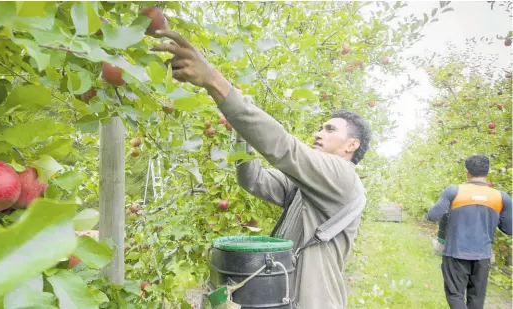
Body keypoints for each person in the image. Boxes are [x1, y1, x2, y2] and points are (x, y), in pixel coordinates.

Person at [152, 30, 372, 309]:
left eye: (329, 129)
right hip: (283, 298)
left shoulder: (342, 177)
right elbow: (252, 180)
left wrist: (215, 82)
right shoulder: (310, 186)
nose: (319, 133)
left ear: (352, 144)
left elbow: (284, 149)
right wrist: (242, 133)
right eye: (320, 127)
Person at [427, 154, 512, 309]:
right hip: (483, 256)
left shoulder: (453, 191)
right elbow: (509, 229)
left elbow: (432, 216)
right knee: (477, 300)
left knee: (455, 296)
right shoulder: (501, 197)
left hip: (455, 254)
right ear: (487, 172)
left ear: (467, 172)